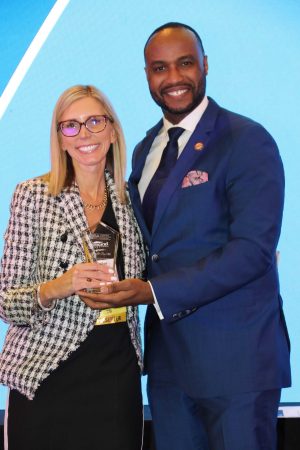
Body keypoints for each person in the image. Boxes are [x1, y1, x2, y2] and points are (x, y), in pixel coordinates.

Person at [90, 23, 292, 450]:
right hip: (168, 367)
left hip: (236, 364)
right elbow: (152, 246)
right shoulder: (146, 150)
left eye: (185, 63)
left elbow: (252, 252)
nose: (174, 78)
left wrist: (150, 292)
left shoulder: (246, 140)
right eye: (159, 68)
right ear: (147, 75)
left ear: (205, 65)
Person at [0, 84, 145, 450]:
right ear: (60, 138)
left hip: (116, 372)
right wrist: (59, 286)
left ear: (112, 130)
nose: (84, 134)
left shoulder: (133, 199)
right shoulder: (33, 196)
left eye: (95, 121)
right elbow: (6, 302)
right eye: (71, 126)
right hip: (47, 372)